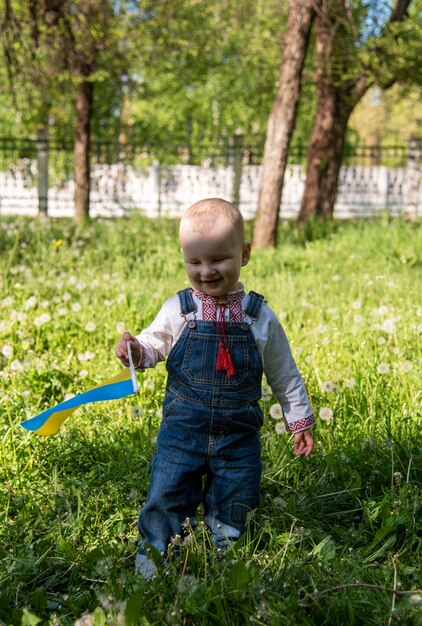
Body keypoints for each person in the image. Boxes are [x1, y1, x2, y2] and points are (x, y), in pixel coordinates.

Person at [115, 197, 315, 578]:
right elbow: (155, 344)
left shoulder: (259, 316)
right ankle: (155, 554)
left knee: (237, 494)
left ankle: (225, 551)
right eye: (195, 262)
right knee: (168, 491)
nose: (206, 271)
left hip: (238, 436)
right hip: (182, 431)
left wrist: (299, 418)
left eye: (219, 259)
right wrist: (136, 351)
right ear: (184, 258)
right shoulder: (180, 308)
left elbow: (283, 371)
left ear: (244, 254)